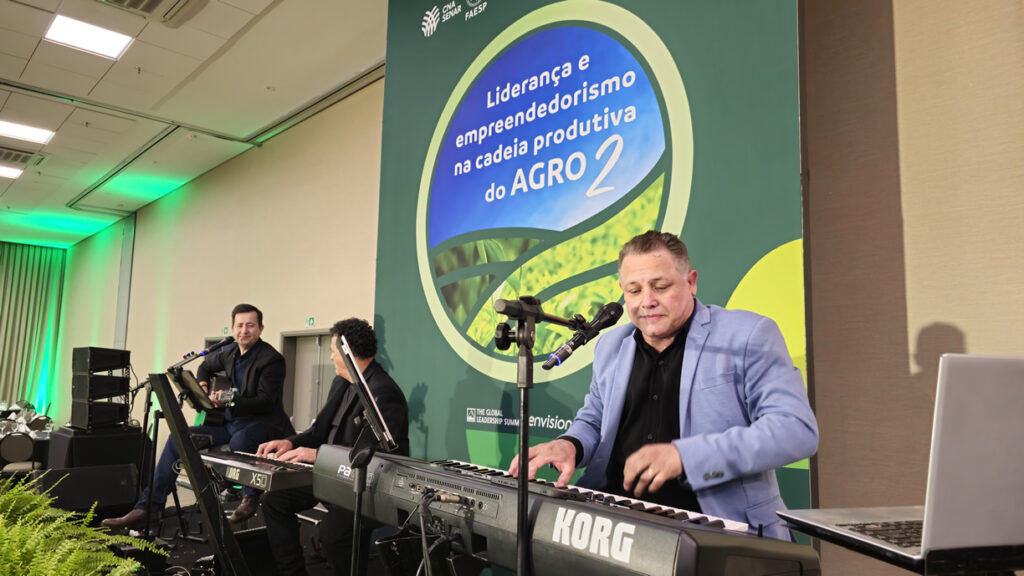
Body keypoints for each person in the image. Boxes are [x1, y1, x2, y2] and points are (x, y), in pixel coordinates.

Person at [510, 231, 818, 540]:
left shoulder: (748, 335)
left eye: (661, 286)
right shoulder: (610, 346)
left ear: (691, 282)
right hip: (617, 526)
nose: (647, 301)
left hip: (721, 532)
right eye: (634, 290)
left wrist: (684, 457)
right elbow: (593, 420)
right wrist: (570, 445)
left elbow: (796, 430)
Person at [103, 303, 294, 529]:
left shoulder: (272, 359)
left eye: (250, 325)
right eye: (240, 325)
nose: (244, 330)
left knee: (240, 441)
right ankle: (149, 508)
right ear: (232, 329)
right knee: (178, 438)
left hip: (261, 423)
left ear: (261, 328)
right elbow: (204, 367)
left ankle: (250, 497)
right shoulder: (230, 353)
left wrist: (229, 400)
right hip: (229, 423)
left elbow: (266, 401)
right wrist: (203, 385)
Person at [258, 318, 409, 576]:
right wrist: (291, 441)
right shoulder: (341, 382)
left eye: (333, 351)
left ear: (348, 352)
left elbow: (377, 457)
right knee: (274, 499)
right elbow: (319, 431)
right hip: (331, 476)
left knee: (333, 535)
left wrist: (317, 455)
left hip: (364, 486)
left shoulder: (384, 392)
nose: (330, 357)